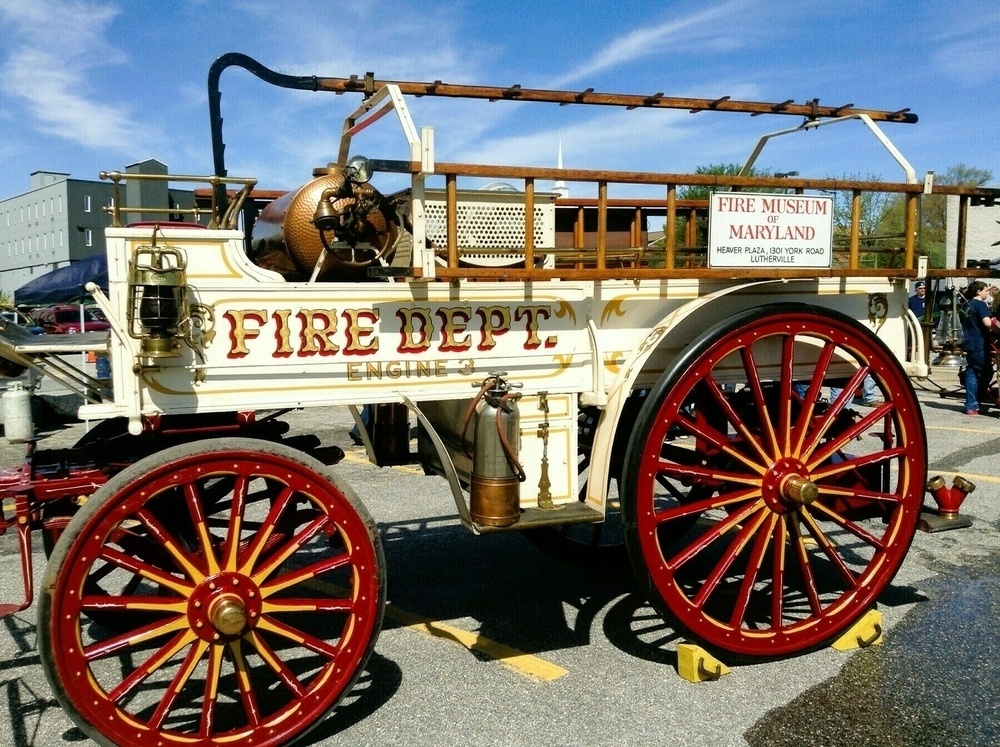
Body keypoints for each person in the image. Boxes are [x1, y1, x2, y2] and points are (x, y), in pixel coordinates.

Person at [960, 280, 999, 415]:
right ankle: (974, 402)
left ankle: (971, 404)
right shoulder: (980, 304)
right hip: (979, 343)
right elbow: (988, 323)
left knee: (972, 372)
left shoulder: (966, 304)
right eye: (986, 290)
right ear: (978, 291)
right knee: (985, 372)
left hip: (969, 342)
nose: (987, 293)